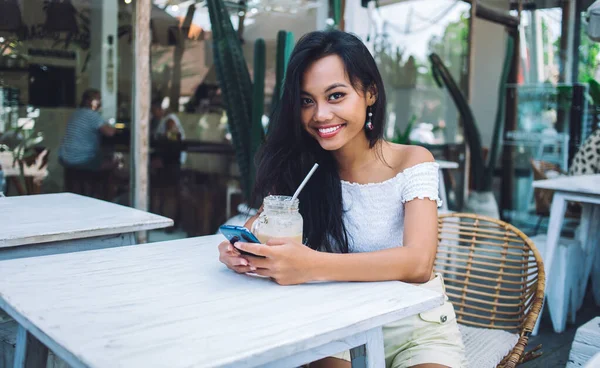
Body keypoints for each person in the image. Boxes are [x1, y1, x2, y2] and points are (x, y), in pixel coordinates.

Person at [217, 30, 467, 368]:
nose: (319, 114)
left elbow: (418, 263)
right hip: (332, 327)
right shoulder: (303, 168)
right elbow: (260, 226)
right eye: (307, 101)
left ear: (370, 94)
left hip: (415, 328)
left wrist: (309, 266)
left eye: (335, 96)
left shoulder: (413, 161)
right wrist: (241, 253)